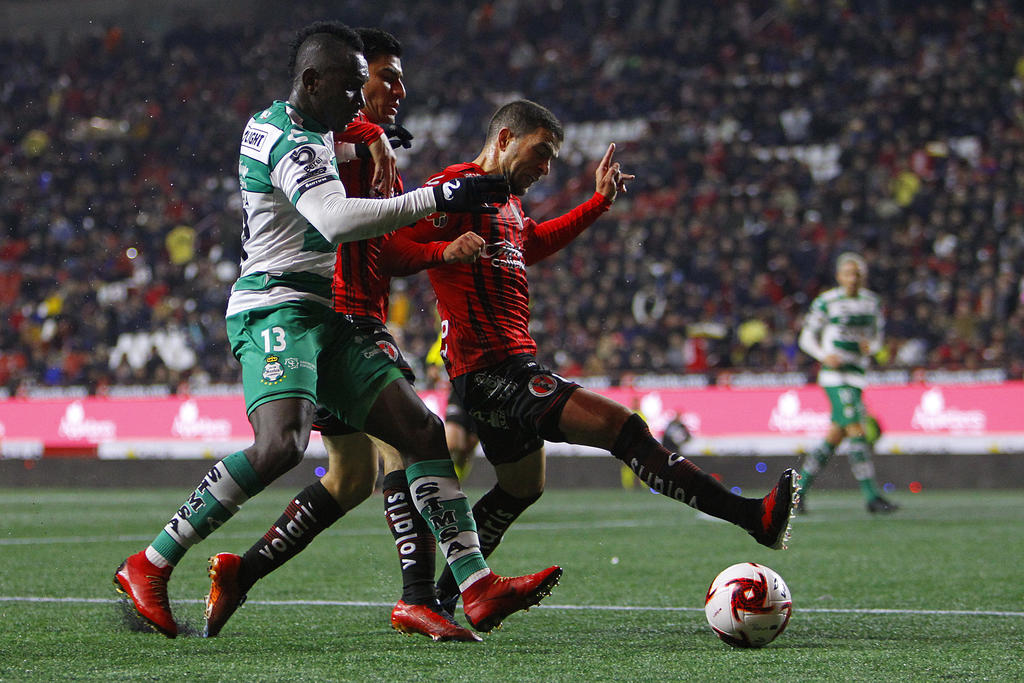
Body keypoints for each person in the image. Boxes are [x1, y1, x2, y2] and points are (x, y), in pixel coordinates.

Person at [113, 22, 559, 640]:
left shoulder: (326, 134)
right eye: (352, 87)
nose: (359, 101)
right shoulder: (284, 137)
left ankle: (476, 587)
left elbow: (366, 197)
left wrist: (377, 142)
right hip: (274, 308)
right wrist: (442, 195)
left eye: (363, 88)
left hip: (326, 315)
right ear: (312, 81)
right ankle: (150, 562)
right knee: (282, 446)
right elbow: (334, 218)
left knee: (419, 430)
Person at [393, 99, 799, 615]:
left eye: (551, 160)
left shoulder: (507, 204)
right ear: (503, 139)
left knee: (521, 487)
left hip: (503, 366)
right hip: (492, 368)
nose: (545, 168)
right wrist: (438, 253)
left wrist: (597, 202)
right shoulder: (457, 186)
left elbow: (530, 244)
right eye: (540, 154)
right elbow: (391, 242)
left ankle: (446, 597)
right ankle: (753, 518)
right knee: (623, 429)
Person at [202, 28, 482, 642]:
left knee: (349, 478)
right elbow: (340, 212)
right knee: (404, 443)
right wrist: (388, 153)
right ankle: (422, 598)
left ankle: (241, 573)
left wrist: (438, 245)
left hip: (347, 310)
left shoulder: (367, 143)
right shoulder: (346, 135)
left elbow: (386, 246)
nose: (389, 92)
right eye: (383, 78)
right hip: (337, 315)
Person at [796, 252, 899, 514]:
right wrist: (823, 355)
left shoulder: (871, 302)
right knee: (856, 427)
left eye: (857, 274)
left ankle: (797, 494)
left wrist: (872, 346)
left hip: (856, 375)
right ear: (839, 276)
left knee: (834, 436)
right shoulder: (827, 302)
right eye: (848, 274)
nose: (853, 279)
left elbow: (877, 337)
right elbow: (806, 337)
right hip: (834, 377)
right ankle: (872, 497)